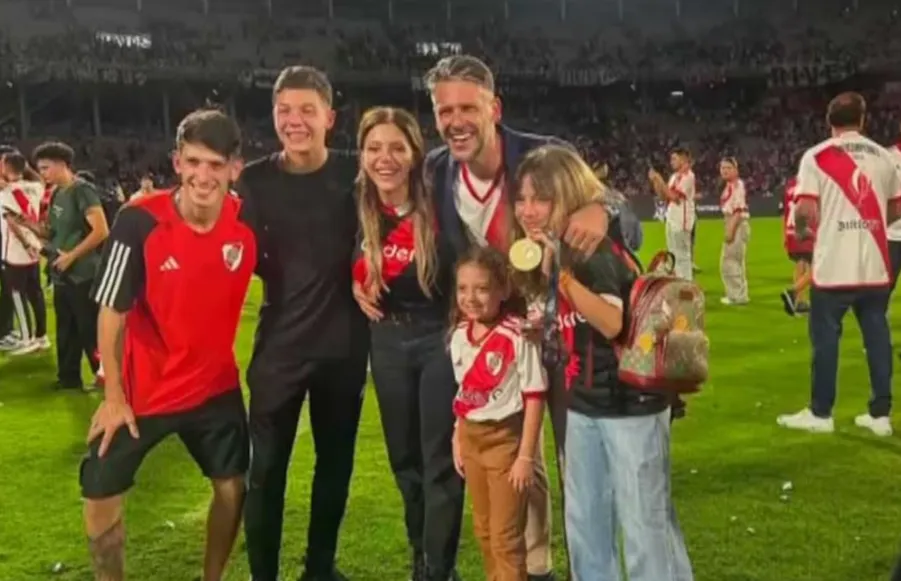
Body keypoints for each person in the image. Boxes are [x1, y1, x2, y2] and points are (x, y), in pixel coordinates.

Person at [418, 54, 609, 581]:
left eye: (466, 107)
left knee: (580, 468)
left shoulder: (545, 156)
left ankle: (588, 569)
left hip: (562, 336)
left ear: (493, 107)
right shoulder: (436, 169)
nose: (454, 120)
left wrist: (604, 210)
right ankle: (539, 566)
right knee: (518, 461)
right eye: (443, 110)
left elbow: (620, 220)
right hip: (497, 343)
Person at [79, 108, 253, 581]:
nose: (203, 176)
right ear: (177, 162)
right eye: (194, 162)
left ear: (234, 169)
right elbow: (111, 310)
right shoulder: (138, 221)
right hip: (142, 393)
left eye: (216, 165)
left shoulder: (247, 222)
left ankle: (211, 579)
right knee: (98, 497)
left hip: (215, 387)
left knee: (233, 487)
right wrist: (113, 397)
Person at [514, 144, 694, 581]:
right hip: (585, 401)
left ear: (568, 196)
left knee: (643, 525)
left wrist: (562, 279)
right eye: (522, 199)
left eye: (542, 198)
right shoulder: (563, 247)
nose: (528, 210)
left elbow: (612, 322)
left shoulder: (590, 249)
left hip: (630, 403)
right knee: (586, 524)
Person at [237, 65, 369, 581]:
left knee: (333, 470)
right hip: (279, 353)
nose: (295, 121)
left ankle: (320, 568)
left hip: (344, 348)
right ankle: (263, 576)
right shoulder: (253, 180)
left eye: (306, 110)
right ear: (274, 116)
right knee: (265, 473)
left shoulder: (357, 174)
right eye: (284, 111)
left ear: (329, 118)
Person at [351, 107, 463, 581]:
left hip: (439, 337)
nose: (386, 158)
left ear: (416, 153)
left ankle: (439, 569)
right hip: (388, 342)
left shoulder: (442, 203)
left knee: (440, 461)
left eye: (398, 147)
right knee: (404, 460)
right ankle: (421, 555)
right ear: (361, 154)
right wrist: (355, 282)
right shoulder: (354, 204)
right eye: (375, 148)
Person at [777, 92, 901, 437]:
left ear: (830, 122)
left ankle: (821, 413)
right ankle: (880, 415)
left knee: (826, 339)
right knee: (877, 336)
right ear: (862, 120)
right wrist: (871, 223)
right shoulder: (884, 157)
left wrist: (806, 230)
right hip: (875, 263)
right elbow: (896, 208)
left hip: (833, 266)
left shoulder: (816, 157)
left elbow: (804, 211)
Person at [450, 246, 547, 581]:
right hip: (471, 440)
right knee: (484, 531)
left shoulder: (518, 335)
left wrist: (525, 456)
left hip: (505, 443)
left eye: (481, 288)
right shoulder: (460, 336)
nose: (471, 297)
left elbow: (535, 396)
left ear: (503, 290)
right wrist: (457, 437)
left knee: (506, 538)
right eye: (463, 288)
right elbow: (465, 394)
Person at [23, 142, 109, 390]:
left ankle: (105, 377)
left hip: (83, 273)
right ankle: (69, 378)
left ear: (62, 165)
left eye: (46, 168)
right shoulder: (57, 193)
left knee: (90, 329)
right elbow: (53, 232)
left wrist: (71, 256)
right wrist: (27, 225)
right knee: (66, 330)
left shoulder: (82, 190)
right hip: (61, 273)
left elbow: (101, 230)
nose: (43, 174)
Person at [0, 151, 50, 354]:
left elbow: (12, 223)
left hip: (16, 251)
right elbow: (37, 178)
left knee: (17, 295)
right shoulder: (36, 187)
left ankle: (26, 338)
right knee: (35, 293)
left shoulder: (5, 193)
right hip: (35, 247)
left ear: (5, 168)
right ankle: (41, 336)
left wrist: (24, 244)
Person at [649, 148, 696, 281]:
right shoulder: (674, 177)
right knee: (673, 254)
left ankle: (687, 283)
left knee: (682, 255)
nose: (671, 162)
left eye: (674, 159)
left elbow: (674, 197)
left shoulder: (689, 176)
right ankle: (679, 284)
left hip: (682, 220)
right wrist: (656, 182)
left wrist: (660, 179)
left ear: (684, 160)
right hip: (671, 217)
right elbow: (664, 196)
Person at [718, 157, 750, 305]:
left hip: (736, 223)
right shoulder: (731, 185)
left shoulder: (737, 186)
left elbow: (738, 210)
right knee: (736, 261)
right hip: (736, 223)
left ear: (736, 170)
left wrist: (730, 230)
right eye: (723, 168)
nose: (724, 170)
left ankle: (736, 296)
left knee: (729, 261)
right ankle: (740, 294)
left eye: (728, 167)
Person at [781, 176, 814, 315]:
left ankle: (800, 302)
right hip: (805, 230)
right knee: (821, 268)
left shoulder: (790, 185)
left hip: (791, 231)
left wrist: (785, 235)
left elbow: (786, 212)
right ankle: (794, 291)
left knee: (800, 263)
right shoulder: (811, 183)